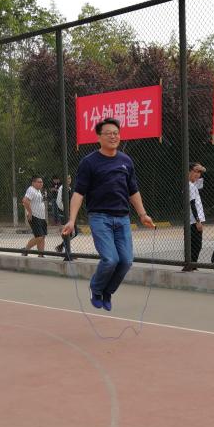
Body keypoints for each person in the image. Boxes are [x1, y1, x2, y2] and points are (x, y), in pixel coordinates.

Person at [62, 118, 154, 311]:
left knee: (126, 261)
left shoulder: (126, 161)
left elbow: (133, 191)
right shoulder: (89, 162)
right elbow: (78, 193)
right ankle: (96, 289)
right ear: (99, 137)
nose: (113, 136)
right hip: (100, 218)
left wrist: (143, 214)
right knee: (110, 259)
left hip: (123, 219)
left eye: (116, 133)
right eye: (109, 133)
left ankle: (107, 292)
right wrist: (71, 220)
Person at [183, 162, 206, 271]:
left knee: (193, 244)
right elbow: (192, 204)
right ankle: (191, 265)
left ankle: (191, 265)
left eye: (199, 172)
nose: (198, 174)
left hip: (191, 220)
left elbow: (204, 173)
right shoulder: (190, 186)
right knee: (196, 244)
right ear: (189, 172)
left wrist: (200, 168)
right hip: (194, 221)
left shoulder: (191, 184)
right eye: (195, 172)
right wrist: (198, 221)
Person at [22, 175, 47, 256]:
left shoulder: (38, 190)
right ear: (33, 183)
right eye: (39, 182)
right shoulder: (31, 190)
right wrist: (30, 213)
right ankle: (26, 250)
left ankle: (41, 254)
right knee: (39, 237)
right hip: (35, 217)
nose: (41, 183)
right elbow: (25, 201)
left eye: (42, 182)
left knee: (42, 236)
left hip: (41, 217)